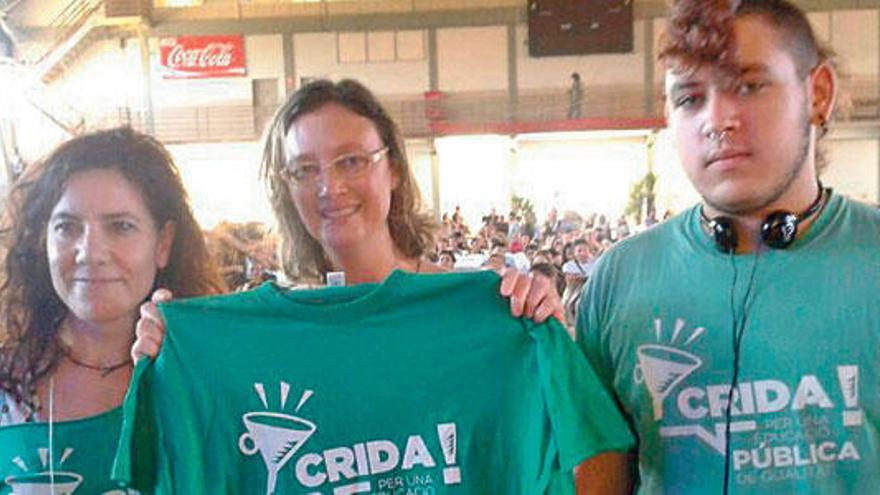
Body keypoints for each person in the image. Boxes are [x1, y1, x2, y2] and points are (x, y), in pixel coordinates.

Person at [124, 79, 633, 493]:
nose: (329, 187)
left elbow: (602, 454)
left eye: (351, 161)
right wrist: (168, 347)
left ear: (391, 167)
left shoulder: (496, 314)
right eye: (305, 169)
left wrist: (544, 328)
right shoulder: (230, 344)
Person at [576, 0, 880, 493]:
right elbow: (601, 475)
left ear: (817, 94)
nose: (717, 119)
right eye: (690, 99)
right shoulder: (619, 281)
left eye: (749, 86)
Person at [0, 127, 224, 490]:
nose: (91, 252)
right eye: (67, 227)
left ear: (163, 243)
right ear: (44, 242)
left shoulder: (205, 380)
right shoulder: (8, 386)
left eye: (121, 227)